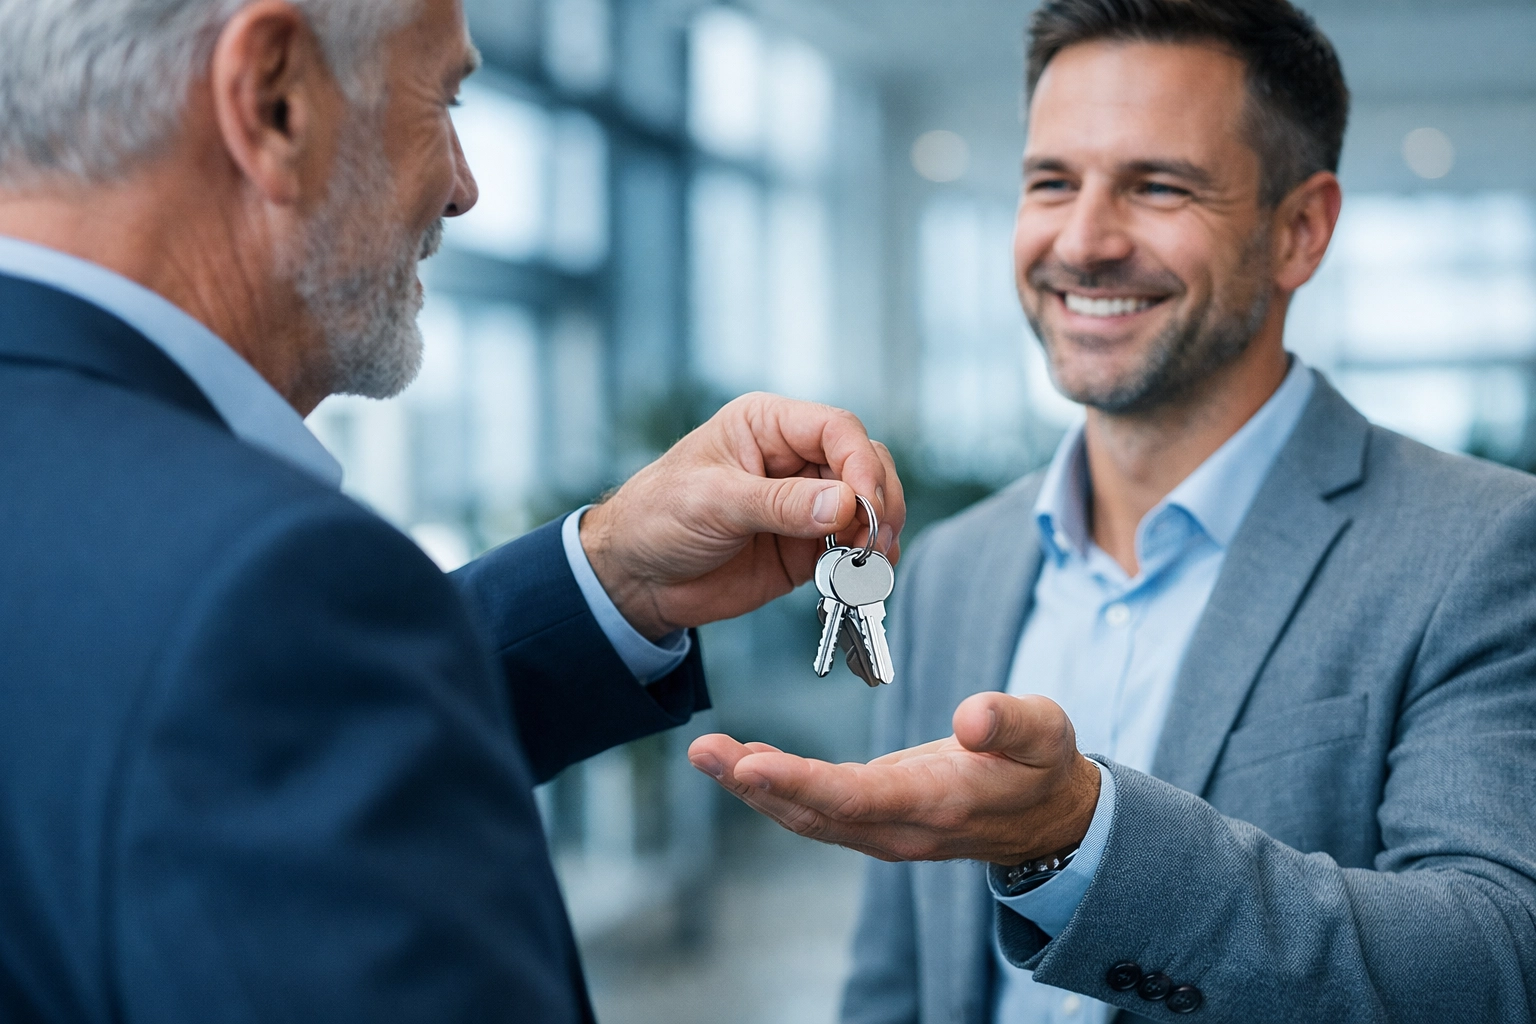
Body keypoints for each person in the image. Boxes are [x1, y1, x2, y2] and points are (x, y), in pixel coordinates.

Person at [0, 0, 904, 1020]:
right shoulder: (262, 579)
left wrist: (607, 576)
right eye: (444, 97)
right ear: (274, 99)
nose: (466, 187)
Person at [690, 1, 1536, 1021]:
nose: (1083, 243)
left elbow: (1493, 964)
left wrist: (1087, 837)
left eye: (1158, 186)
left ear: (1299, 230)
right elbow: (897, 982)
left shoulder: (1480, 545)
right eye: (1051, 181)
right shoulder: (955, 565)